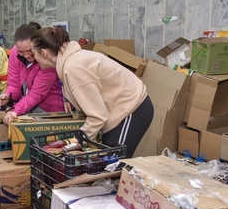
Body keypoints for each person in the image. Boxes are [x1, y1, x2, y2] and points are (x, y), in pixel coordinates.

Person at [30, 26, 153, 158]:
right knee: (107, 163)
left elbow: (98, 116)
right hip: (121, 111)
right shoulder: (71, 61)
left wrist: (76, 141)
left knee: (113, 164)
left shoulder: (73, 68)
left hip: (132, 109)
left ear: (44, 53)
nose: (33, 58)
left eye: (33, 53)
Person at [0, 22, 66, 124]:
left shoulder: (46, 59)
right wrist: (8, 95)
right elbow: (14, 84)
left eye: (30, 51)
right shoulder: (15, 54)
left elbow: (36, 95)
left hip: (51, 111)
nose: (26, 56)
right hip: (26, 106)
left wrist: (15, 110)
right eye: (21, 52)